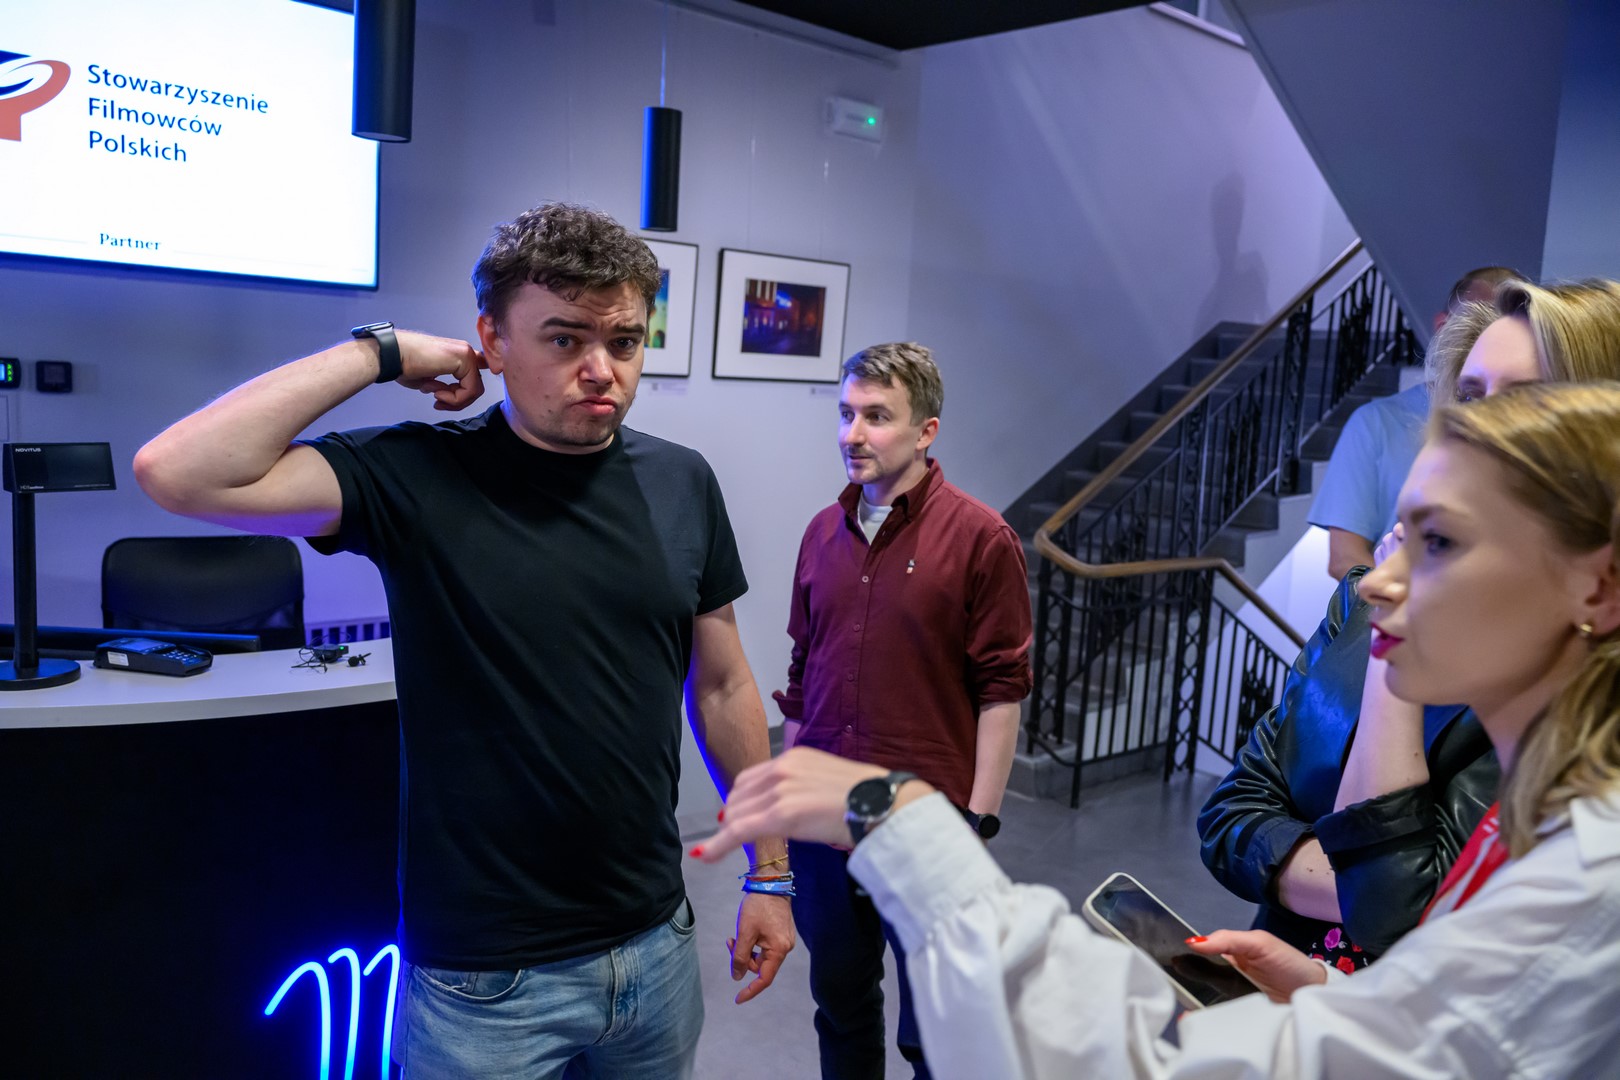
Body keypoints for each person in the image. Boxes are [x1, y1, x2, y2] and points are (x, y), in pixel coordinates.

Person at [696, 380, 1620, 1077]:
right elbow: (1422, 1031)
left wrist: (917, 830)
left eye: (1440, 542)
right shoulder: (1539, 826)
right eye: (1394, 539)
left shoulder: (1592, 877)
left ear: (1600, 584)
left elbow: (1151, 1064)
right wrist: (1328, 990)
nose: (1376, 581)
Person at [133, 203, 793, 1077]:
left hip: (655, 943)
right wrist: (381, 354)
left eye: (625, 341)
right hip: (485, 977)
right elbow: (177, 472)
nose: (602, 370)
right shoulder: (418, 474)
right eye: (564, 339)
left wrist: (770, 871)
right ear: (492, 339)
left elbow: (722, 685)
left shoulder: (681, 480)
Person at [1198, 278, 1620, 967]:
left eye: (1523, 401)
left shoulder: (1572, 678)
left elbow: (1406, 912)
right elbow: (1230, 815)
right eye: (1471, 398)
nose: (1477, 430)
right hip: (1299, 978)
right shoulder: (1367, 601)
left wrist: (1398, 644)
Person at [773, 342, 1033, 1078]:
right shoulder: (821, 532)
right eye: (846, 414)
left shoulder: (982, 539)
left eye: (877, 417)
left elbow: (1002, 691)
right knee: (841, 1011)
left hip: (928, 830)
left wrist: (979, 821)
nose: (853, 434)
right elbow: (802, 676)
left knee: (935, 1032)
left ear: (926, 431)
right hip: (826, 827)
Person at [1309, 265, 1520, 580]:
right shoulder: (1375, 423)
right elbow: (1345, 558)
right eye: (1475, 325)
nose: (1489, 340)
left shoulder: (1537, 429)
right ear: (1444, 328)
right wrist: (1405, 598)